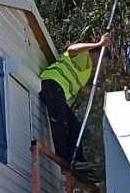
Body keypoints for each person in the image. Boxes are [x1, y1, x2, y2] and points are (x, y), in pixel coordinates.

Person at [39, 30, 110, 166]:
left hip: (58, 93)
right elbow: (71, 49)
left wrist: (93, 91)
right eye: (102, 61)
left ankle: (78, 160)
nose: (100, 65)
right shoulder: (84, 54)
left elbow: (76, 83)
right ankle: (64, 157)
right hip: (51, 83)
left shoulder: (88, 71)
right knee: (60, 120)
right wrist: (99, 43)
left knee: (75, 126)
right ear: (96, 53)